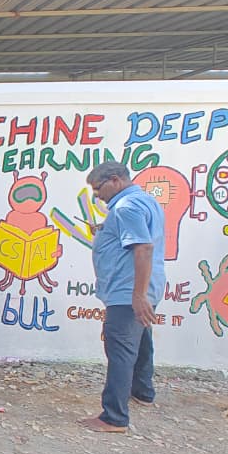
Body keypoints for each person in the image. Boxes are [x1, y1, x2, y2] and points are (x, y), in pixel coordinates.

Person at [78, 161, 166, 433]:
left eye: (98, 189)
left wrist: (138, 296)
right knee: (141, 340)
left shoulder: (126, 207)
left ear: (115, 180)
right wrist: (105, 230)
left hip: (127, 290)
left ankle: (114, 417)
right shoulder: (142, 201)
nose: (97, 196)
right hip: (139, 287)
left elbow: (143, 248)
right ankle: (142, 391)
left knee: (120, 348)